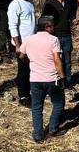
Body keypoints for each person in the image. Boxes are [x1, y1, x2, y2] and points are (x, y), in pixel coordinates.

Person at [20, 15, 66, 143]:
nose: (54, 28)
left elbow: (21, 54)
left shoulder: (29, 39)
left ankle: (38, 135)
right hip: (52, 79)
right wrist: (62, 77)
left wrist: (31, 62)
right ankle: (53, 128)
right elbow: (57, 59)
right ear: (47, 27)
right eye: (53, 26)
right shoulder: (54, 40)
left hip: (35, 79)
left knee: (37, 107)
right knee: (58, 103)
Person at [42, 0, 77, 95]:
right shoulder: (50, 3)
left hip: (66, 35)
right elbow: (45, 20)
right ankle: (55, 82)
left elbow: (71, 18)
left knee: (67, 60)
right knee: (55, 60)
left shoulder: (69, 3)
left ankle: (68, 82)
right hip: (54, 36)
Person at [8, 0, 36, 107]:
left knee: (31, 68)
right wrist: (18, 45)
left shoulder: (30, 2)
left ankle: (31, 91)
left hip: (32, 42)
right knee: (23, 70)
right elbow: (13, 26)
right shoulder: (15, 5)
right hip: (22, 43)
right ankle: (23, 96)